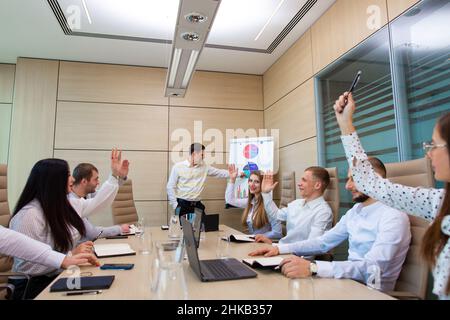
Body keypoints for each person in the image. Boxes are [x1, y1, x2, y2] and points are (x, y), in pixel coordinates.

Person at [334, 91, 450, 299]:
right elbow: (371, 184)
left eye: (434, 145)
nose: (428, 153)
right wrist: (345, 123)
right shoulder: (440, 202)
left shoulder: (397, 215)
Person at [249, 158, 411, 292]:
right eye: (348, 179)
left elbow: (372, 268)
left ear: (375, 179)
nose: (347, 186)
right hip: (347, 282)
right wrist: (279, 248)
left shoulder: (393, 215)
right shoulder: (356, 210)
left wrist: (314, 268)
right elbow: (323, 242)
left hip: (371, 291)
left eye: (354, 179)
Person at [8, 149, 129, 299]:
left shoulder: (64, 204)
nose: (72, 179)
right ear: (53, 181)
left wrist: (114, 176)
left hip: (55, 275)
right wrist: (69, 255)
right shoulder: (29, 215)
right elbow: (28, 265)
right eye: (67, 175)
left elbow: (98, 203)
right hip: (32, 286)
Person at [255, 167, 333, 245]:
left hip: (296, 256)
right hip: (282, 250)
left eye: (304, 180)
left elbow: (311, 247)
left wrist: (276, 248)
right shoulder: (296, 203)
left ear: (317, 185)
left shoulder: (323, 212)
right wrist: (265, 193)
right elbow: (276, 215)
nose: (299, 183)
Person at [167, 143, 229, 218]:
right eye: (202, 155)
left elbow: (219, 172)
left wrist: (236, 174)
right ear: (194, 154)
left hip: (197, 205)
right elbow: (170, 187)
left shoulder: (204, 167)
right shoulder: (178, 167)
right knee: (183, 228)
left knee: (202, 227)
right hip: (182, 205)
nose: (204, 157)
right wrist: (175, 205)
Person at [70, 162, 130, 239]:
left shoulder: (86, 194)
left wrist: (121, 177)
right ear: (84, 182)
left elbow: (105, 195)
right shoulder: (72, 202)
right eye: (95, 179)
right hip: (78, 246)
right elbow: (91, 233)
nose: (98, 182)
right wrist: (120, 229)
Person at [0, 225, 99, 269]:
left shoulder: (54, 209)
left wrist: (67, 257)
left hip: (50, 275)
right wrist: (68, 257)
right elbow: (27, 267)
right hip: (32, 284)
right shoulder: (30, 214)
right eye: (70, 185)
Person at [225, 165, 282, 239]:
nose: (252, 184)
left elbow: (277, 233)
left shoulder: (268, 205)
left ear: (263, 184)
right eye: (250, 181)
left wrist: (255, 237)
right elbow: (230, 200)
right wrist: (232, 179)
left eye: (257, 182)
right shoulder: (251, 202)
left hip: (264, 245)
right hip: (253, 243)